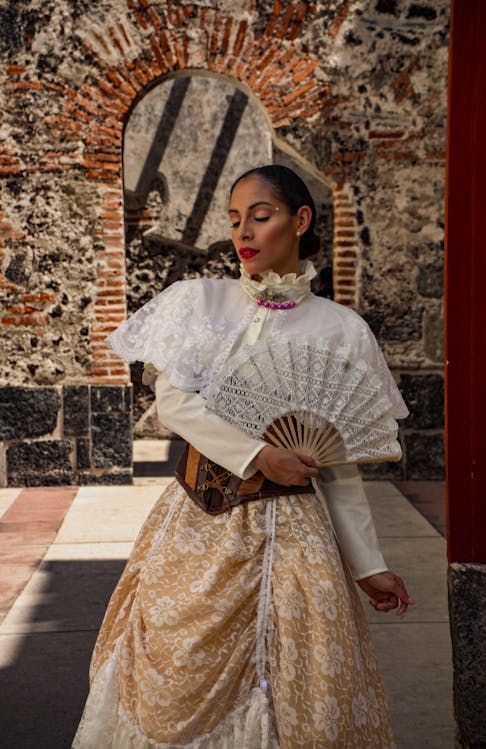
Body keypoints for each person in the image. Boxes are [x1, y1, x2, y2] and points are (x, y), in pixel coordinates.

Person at [73, 165, 414, 749]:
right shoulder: (201, 302)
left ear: (300, 220)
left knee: (301, 683)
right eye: (235, 220)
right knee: (175, 672)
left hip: (297, 539)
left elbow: (340, 461)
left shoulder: (341, 330)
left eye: (261, 216)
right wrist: (259, 454)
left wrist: (367, 565)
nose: (244, 233)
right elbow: (174, 406)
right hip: (200, 523)